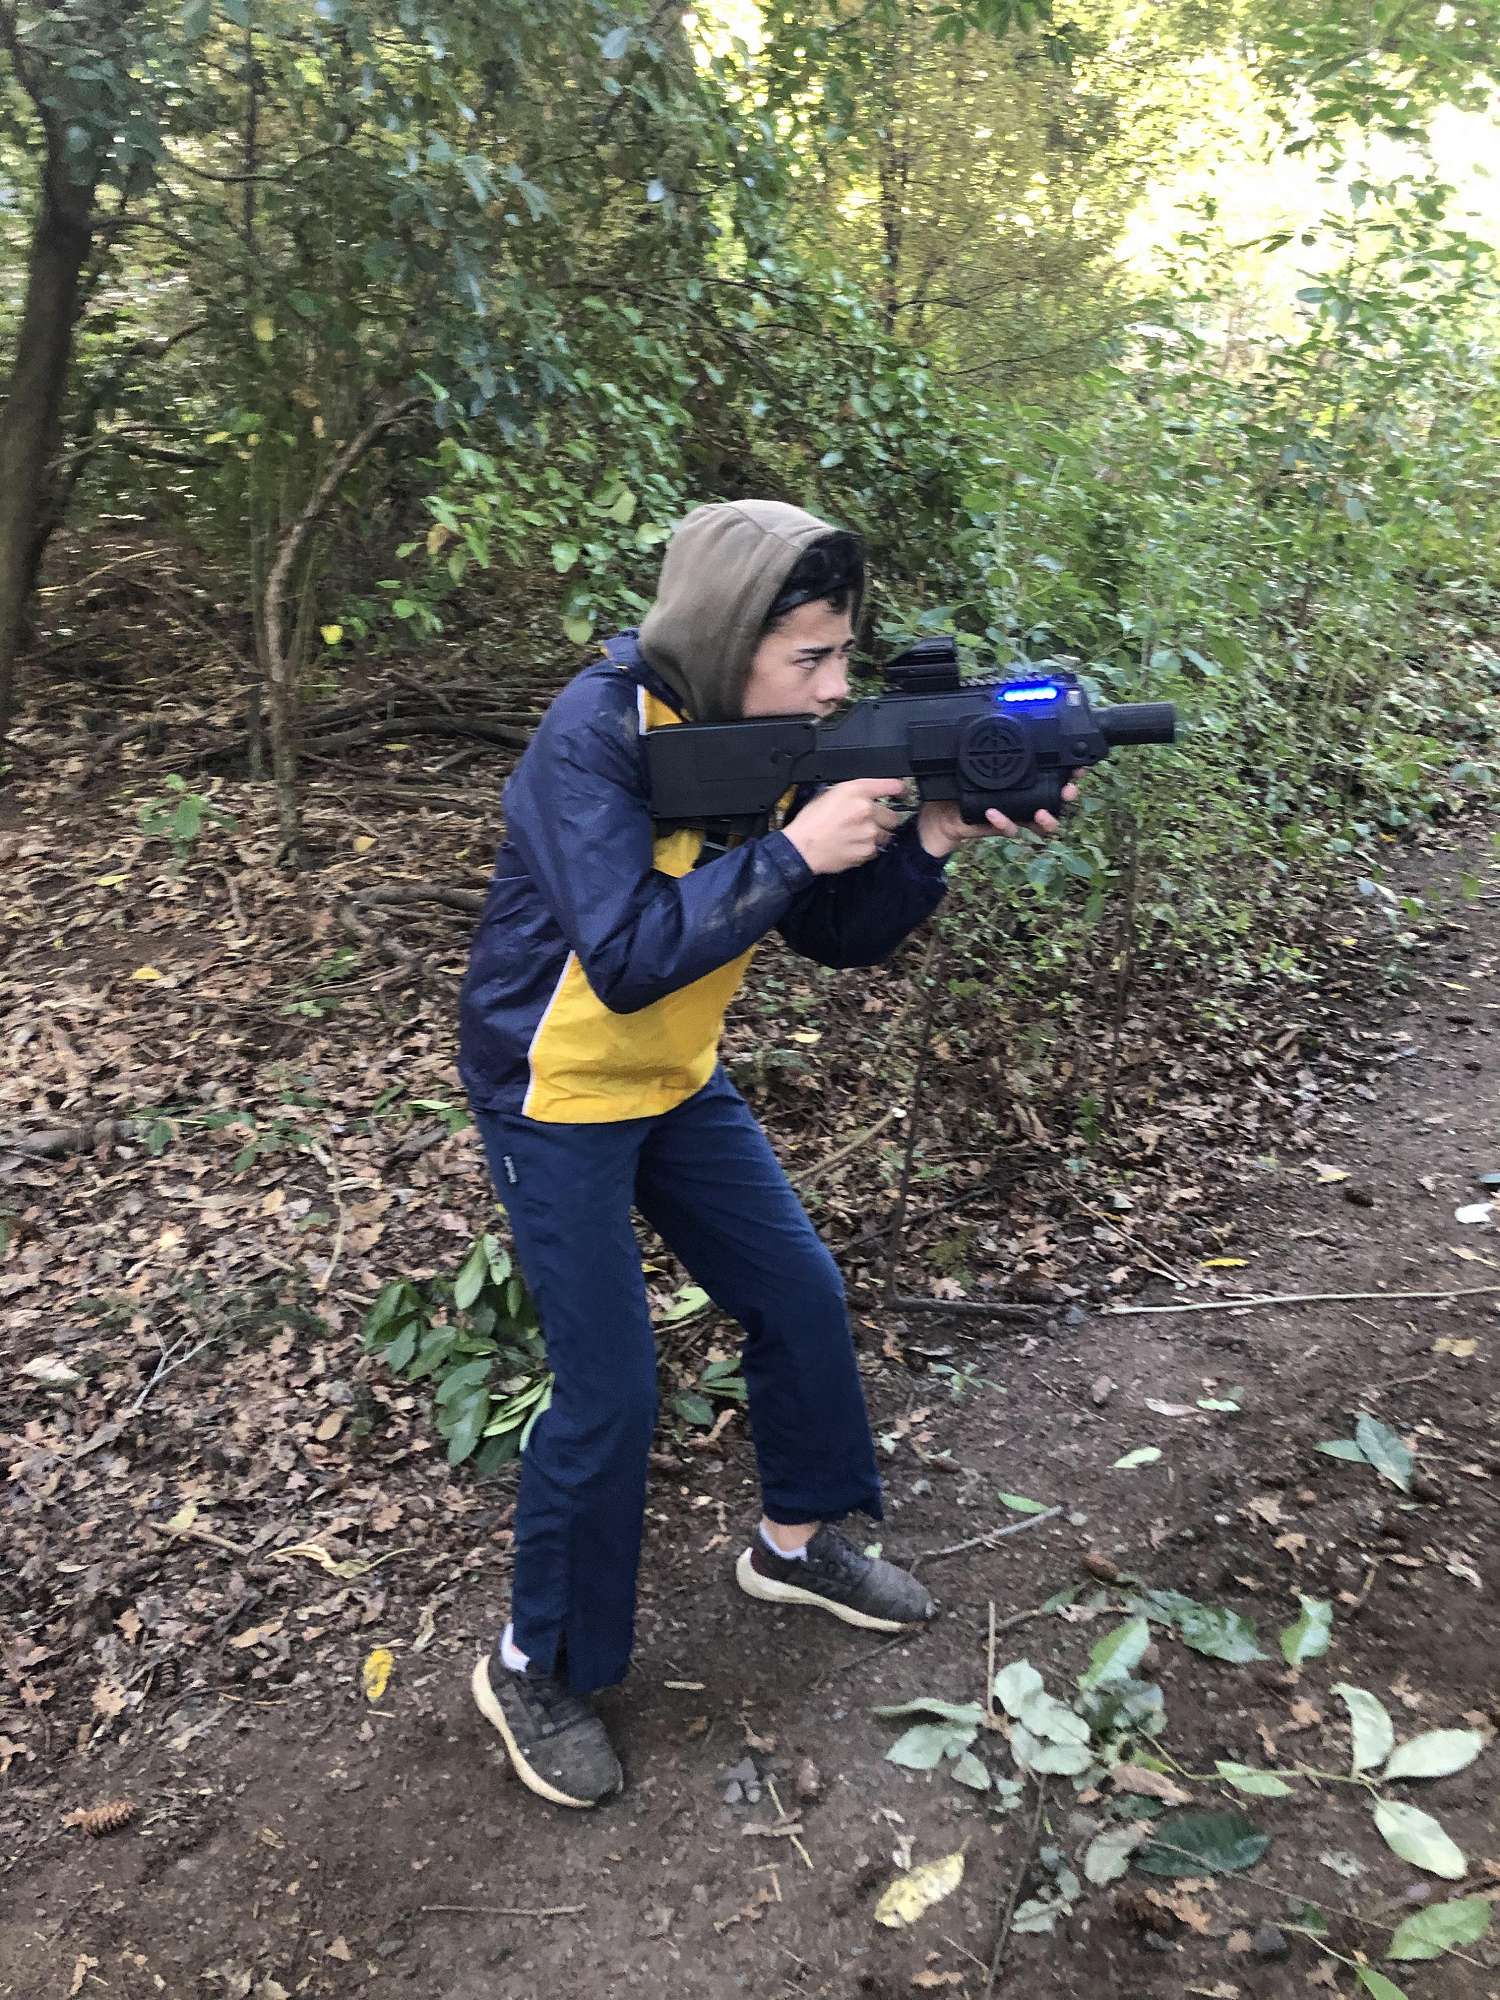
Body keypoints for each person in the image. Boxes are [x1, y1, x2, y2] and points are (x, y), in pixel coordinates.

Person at [457, 499, 1076, 1808]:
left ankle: (795, 1544)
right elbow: (626, 955)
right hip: (555, 1086)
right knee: (611, 1390)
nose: (838, 683)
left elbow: (834, 933)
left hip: (675, 1075)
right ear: (727, 641)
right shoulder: (592, 736)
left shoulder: (778, 739)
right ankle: (534, 1666)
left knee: (798, 1293)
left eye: (845, 653)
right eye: (812, 657)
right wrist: (794, 846)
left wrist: (931, 837)